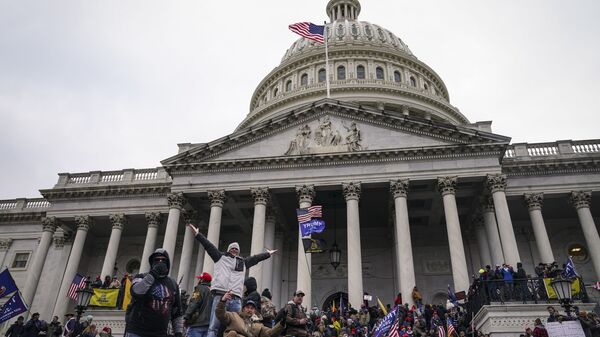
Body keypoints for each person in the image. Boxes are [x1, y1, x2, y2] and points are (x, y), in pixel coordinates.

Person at [186, 223, 276, 337]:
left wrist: (267, 254)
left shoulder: (242, 262)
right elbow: (208, 246)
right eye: (232, 248)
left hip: (236, 299)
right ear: (228, 250)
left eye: (236, 249)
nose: (234, 250)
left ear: (238, 251)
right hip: (220, 296)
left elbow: (255, 259)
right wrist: (198, 235)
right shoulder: (220, 257)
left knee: (237, 326)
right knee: (214, 326)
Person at [125, 248, 184, 337]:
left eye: (163, 260)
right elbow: (136, 292)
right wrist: (153, 274)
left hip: (160, 333)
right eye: (157, 260)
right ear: (152, 262)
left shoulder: (172, 284)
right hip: (137, 331)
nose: (160, 262)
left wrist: (178, 332)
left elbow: (177, 312)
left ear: (167, 263)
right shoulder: (140, 277)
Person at [215, 290, 284, 337]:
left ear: (255, 311)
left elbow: (270, 333)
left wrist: (281, 324)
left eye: (252, 308)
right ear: (243, 308)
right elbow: (220, 315)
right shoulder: (233, 316)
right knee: (232, 333)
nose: (249, 310)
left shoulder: (258, 325)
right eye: (247, 307)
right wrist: (223, 301)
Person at [184, 272, 214, 337]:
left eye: (199, 279)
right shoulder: (212, 291)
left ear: (202, 280)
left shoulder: (199, 289)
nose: (198, 280)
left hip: (197, 323)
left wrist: (186, 316)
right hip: (208, 324)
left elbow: (194, 303)